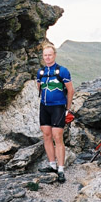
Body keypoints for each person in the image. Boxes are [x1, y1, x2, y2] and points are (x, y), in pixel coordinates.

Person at [36, 42, 75, 183]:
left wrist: (67, 109)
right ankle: (52, 165)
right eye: (45, 55)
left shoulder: (62, 71)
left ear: (54, 55)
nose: (47, 57)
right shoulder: (40, 72)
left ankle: (61, 169)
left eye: (50, 55)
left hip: (58, 107)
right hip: (44, 107)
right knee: (46, 135)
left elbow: (70, 90)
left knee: (57, 137)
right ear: (43, 56)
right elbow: (39, 88)